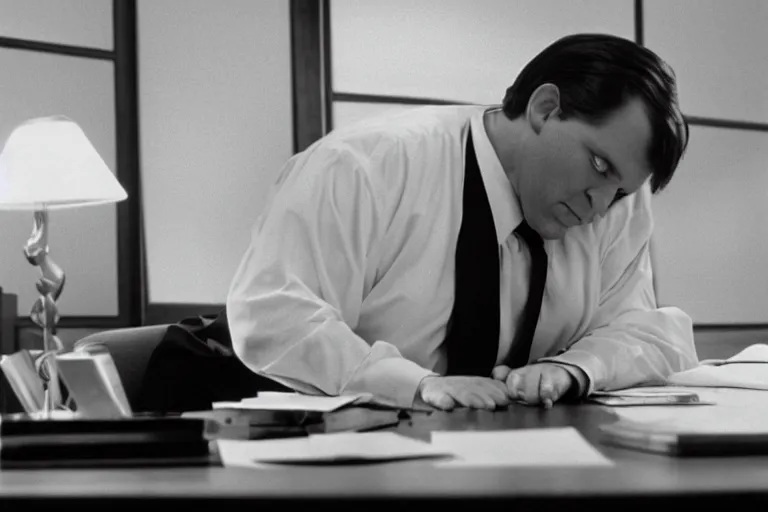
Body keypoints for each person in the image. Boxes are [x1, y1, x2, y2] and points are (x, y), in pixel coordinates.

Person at [225, 33, 699, 412]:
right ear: (544, 109)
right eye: (598, 165)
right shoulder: (364, 166)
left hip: (516, 457)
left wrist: (575, 369)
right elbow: (273, 313)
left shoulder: (617, 205)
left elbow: (645, 331)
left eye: (620, 191)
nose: (600, 206)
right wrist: (415, 385)